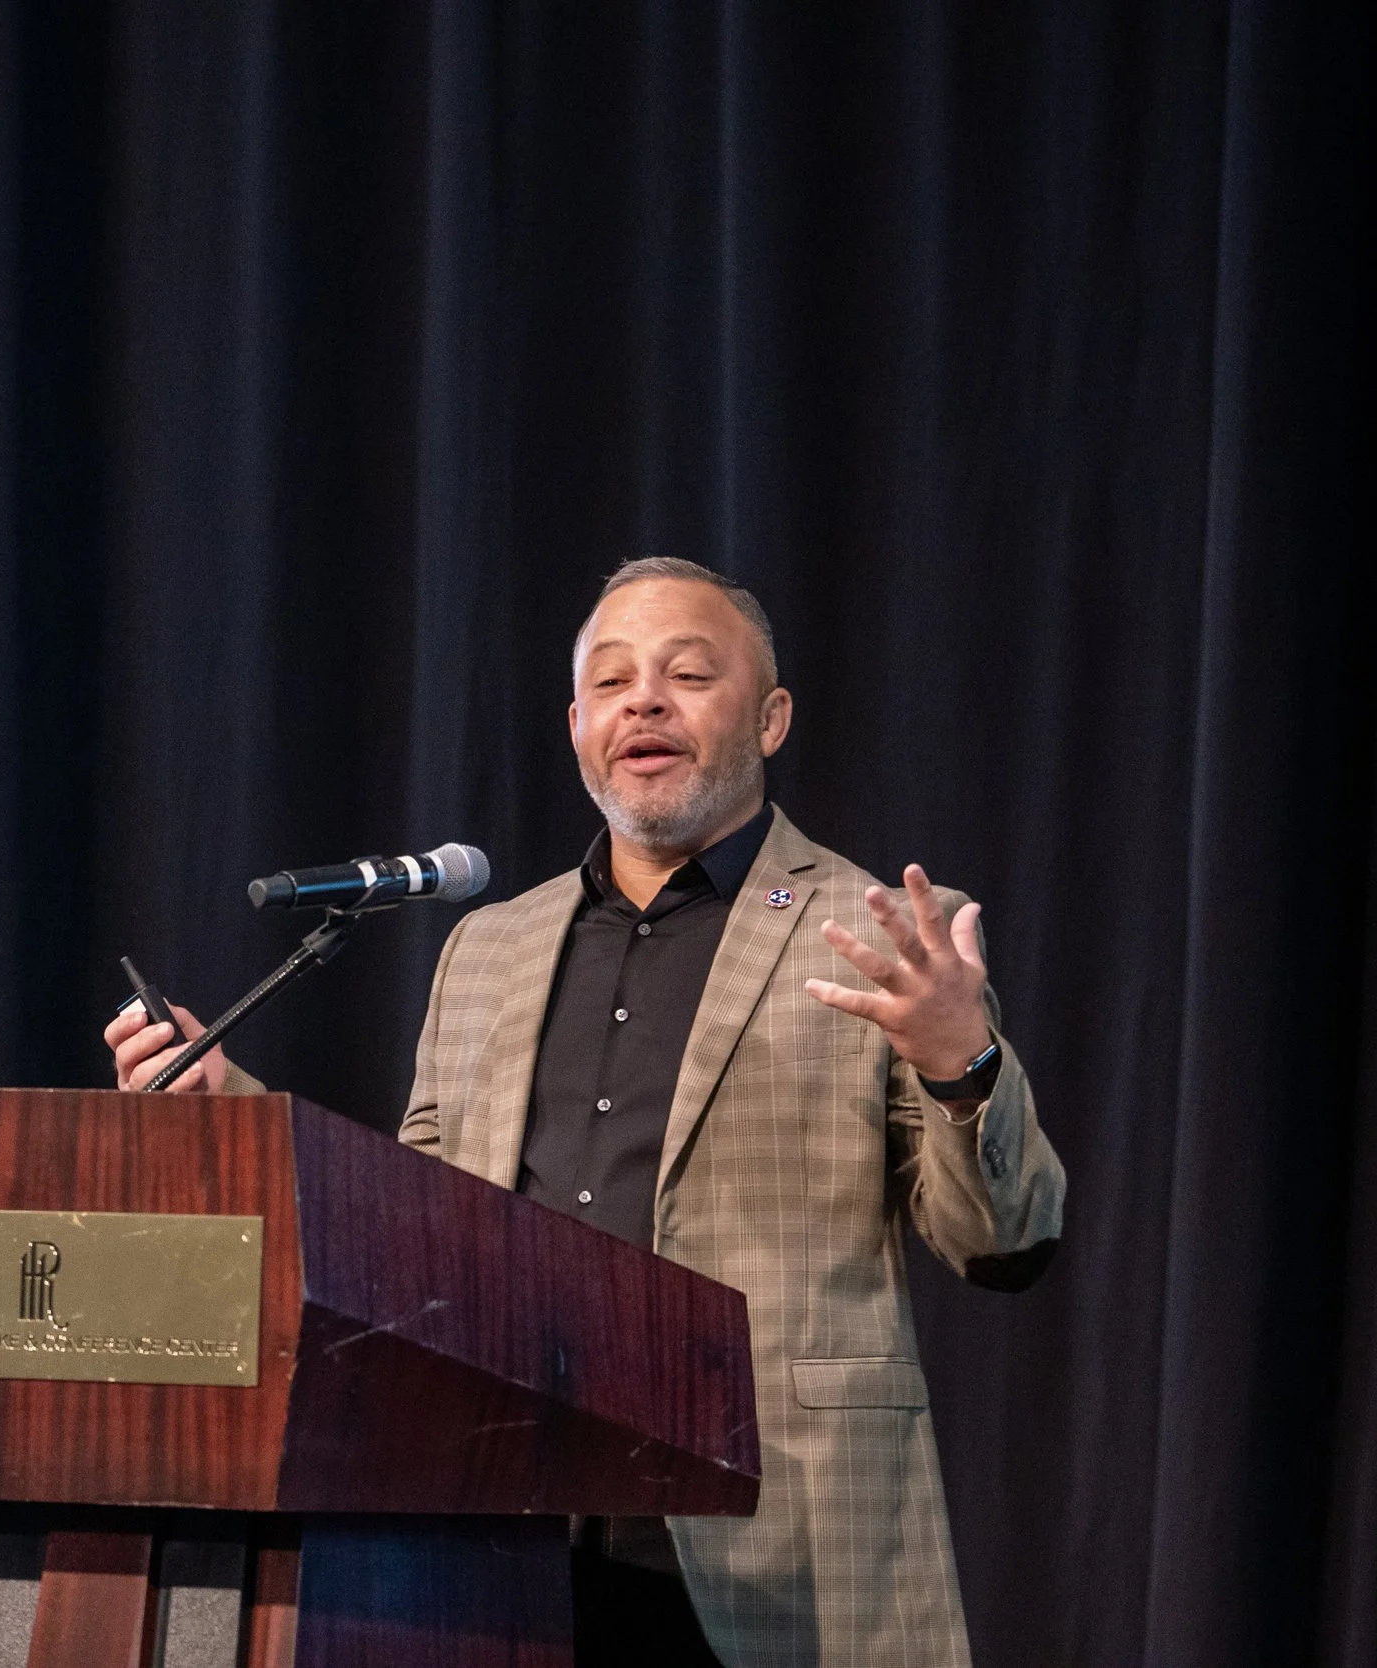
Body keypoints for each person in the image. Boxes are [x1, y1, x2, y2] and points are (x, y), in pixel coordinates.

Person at [106, 558, 1065, 1667]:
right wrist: (237, 1110)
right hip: (500, 1543)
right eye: (610, 683)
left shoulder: (888, 931)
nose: (642, 701)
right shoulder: (488, 948)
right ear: (576, 727)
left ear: (770, 718)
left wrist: (962, 1061)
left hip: (775, 1547)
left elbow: (1005, 1241)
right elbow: (410, 1217)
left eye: (686, 675)